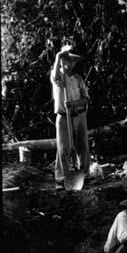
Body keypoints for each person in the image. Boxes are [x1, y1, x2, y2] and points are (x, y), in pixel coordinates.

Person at [50, 44, 90, 188]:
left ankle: (84, 174)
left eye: (74, 61)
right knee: (64, 148)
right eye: (68, 60)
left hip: (79, 116)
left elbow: (86, 99)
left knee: (83, 146)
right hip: (63, 117)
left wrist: (74, 104)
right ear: (64, 60)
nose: (71, 63)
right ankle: (61, 179)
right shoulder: (59, 76)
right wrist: (58, 57)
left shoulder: (78, 78)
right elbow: (55, 77)